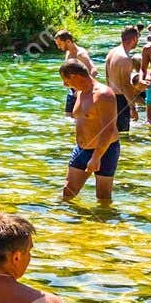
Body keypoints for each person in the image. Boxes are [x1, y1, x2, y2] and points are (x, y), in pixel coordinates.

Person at [61, 62, 120, 203]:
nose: (65, 84)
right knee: (68, 191)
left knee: (103, 197)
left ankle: (103, 224)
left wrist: (96, 157)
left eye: (66, 80)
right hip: (81, 149)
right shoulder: (80, 92)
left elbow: (109, 128)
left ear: (75, 76)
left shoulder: (104, 95)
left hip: (105, 151)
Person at [103, 25, 141, 132]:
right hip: (121, 100)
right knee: (123, 133)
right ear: (134, 39)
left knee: (111, 132)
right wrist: (133, 107)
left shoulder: (112, 52)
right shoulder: (125, 58)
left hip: (110, 97)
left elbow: (107, 77)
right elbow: (125, 85)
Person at [55, 30, 95, 115]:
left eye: (60, 44)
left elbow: (93, 71)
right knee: (68, 117)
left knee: (78, 117)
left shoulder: (81, 54)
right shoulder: (68, 53)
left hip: (81, 92)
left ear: (68, 41)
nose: (58, 47)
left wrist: (83, 90)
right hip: (72, 90)